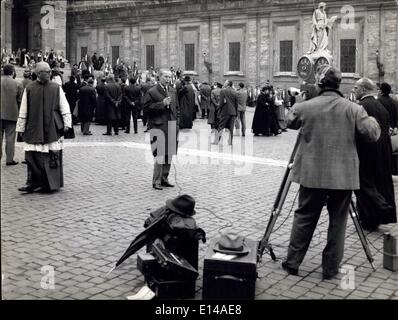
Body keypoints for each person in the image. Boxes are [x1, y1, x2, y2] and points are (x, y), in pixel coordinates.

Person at [282, 66, 380, 280]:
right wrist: (371, 118)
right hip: (342, 177)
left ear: (320, 84)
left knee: (304, 217)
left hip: (311, 175)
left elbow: (288, 121)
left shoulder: (307, 107)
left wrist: (298, 102)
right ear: (340, 84)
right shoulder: (353, 109)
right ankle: (330, 269)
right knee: (338, 223)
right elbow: (372, 134)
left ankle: (292, 263)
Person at [16, 62, 72, 193]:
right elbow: (23, 109)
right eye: (45, 72)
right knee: (31, 155)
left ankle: (49, 184)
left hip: (51, 126)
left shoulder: (56, 87)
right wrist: (21, 127)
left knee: (51, 156)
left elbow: (64, 106)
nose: (48, 73)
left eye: (49, 72)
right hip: (34, 126)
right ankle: (31, 182)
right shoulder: (29, 88)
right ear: (37, 73)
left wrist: (67, 123)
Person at [352, 78, 397, 230]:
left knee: (364, 182)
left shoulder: (361, 107)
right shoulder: (380, 106)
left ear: (363, 90)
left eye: (356, 87)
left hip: (365, 151)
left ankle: (370, 216)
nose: (354, 90)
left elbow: (358, 132)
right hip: (382, 151)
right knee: (379, 182)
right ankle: (377, 217)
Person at [143, 69, 178, 190]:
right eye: (166, 77)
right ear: (159, 77)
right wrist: (161, 104)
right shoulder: (152, 91)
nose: (168, 79)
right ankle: (156, 181)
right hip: (158, 126)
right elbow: (146, 109)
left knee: (169, 154)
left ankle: (164, 178)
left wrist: (177, 122)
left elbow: (176, 108)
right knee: (160, 154)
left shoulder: (172, 90)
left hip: (171, 126)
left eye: (169, 77)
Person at [1, 64, 23, 165]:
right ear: (13, 72)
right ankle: (9, 159)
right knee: (10, 138)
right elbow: (20, 100)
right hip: (12, 114)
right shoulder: (17, 84)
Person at [214, 80, 238, 145]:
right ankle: (230, 142)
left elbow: (221, 103)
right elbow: (236, 104)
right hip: (233, 112)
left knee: (221, 126)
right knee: (231, 128)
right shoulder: (235, 92)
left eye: (225, 82)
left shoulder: (223, 91)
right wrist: (236, 114)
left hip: (225, 111)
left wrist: (219, 109)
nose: (224, 83)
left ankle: (216, 141)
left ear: (227, 84)